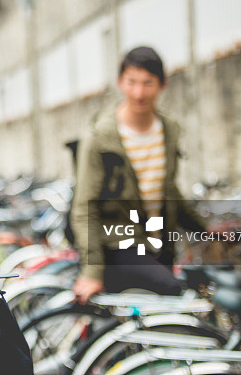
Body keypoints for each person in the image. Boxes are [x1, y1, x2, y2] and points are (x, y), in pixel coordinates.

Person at [70, 46, 206, 303]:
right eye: (131, 82)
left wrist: (204, 230)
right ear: (120, 82)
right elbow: (84, 208)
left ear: (162, 84)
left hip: (160, 243)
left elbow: (169, 190)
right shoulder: (101, 137)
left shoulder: (168, 129)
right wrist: (92, 270)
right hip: (119, 243)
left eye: (147, 83)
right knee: (175, 292)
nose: (139, 93)